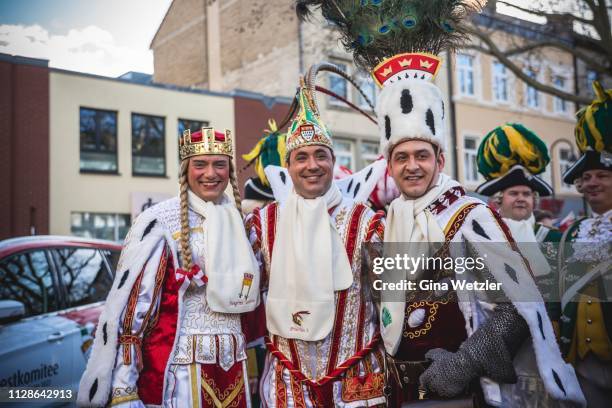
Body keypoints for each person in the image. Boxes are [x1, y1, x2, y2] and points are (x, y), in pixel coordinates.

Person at [296, 1, 585, 406]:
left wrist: (466, 362)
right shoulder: (384, 223)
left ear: (441, 160)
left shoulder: (471, 217)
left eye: (422, 155)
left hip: (460, 392)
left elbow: (519, 304)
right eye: (401, 157)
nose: (412, 166)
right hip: (398, 391)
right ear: (389, 166)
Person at [77, 127, 260, 407]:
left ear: (229, 171)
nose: (210, 173)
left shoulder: (241, 222)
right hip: (181, 372)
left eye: (219, 165)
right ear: (186, 169)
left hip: (234, 365)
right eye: (200, 164)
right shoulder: (160, 221)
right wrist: (123, 389)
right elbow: (134, 310)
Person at [245, 77, 386, 407]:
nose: (312, 165)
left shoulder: (369, 222)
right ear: (288, 166)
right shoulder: (262, 224)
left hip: (359, 381)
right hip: (287, 383)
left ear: (333, 161)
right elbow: (240, 294)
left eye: (320, 155)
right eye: (301, 157)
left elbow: (398, 299)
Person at [475, 123, 565, 405]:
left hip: (547, 345)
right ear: (498, 200)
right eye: (514, 194)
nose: (522, 199)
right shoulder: (484, 241)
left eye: (527, 194)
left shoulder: (553, 238)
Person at [559, 81, 612, 408]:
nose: (590, 183)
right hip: (583, 366)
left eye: (602, 176)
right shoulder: (573, 233)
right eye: (586, 177)